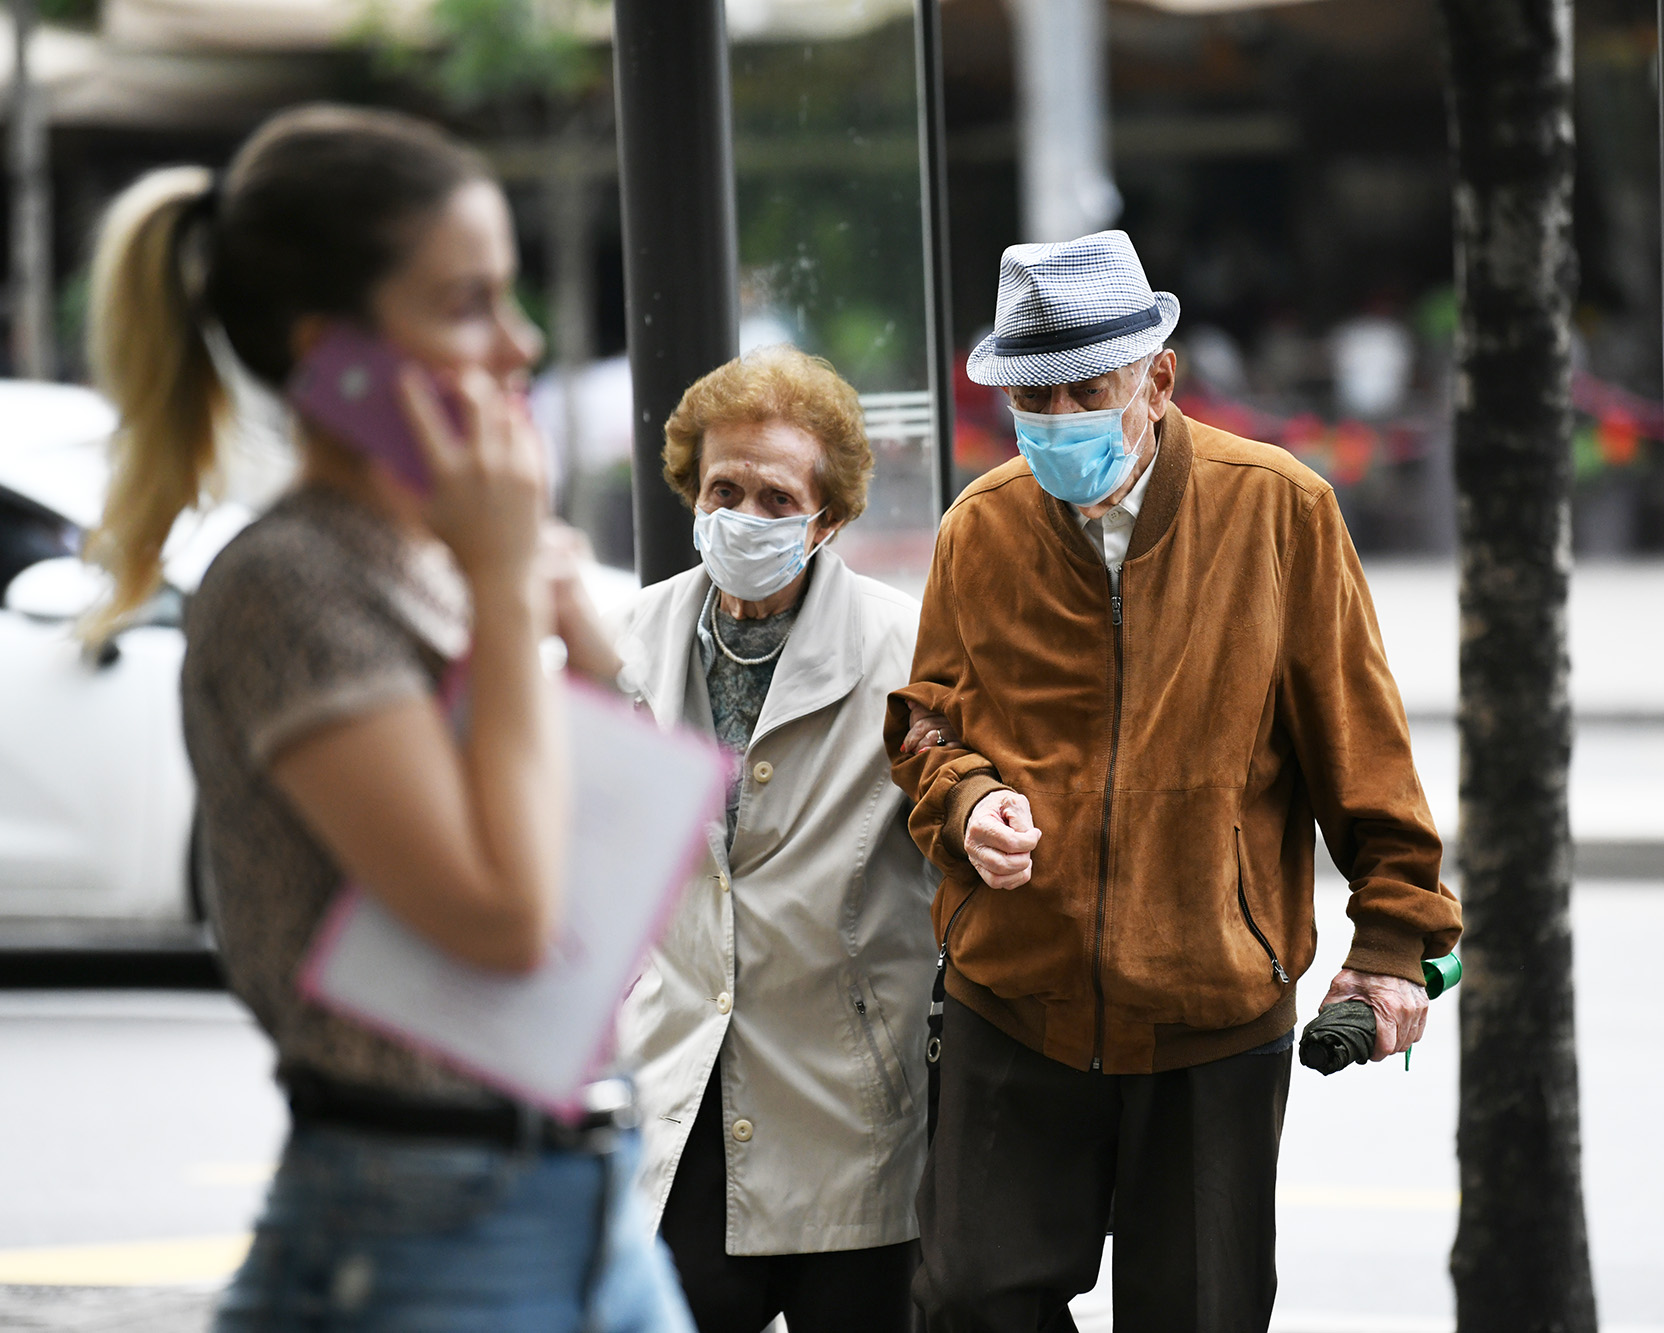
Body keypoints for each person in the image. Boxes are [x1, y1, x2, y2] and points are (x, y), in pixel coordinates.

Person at [86, 105, 692, 1331]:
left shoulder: (437, 555)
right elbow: (507, 918)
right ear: (336, 357)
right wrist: (497, 592)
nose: (518, 345)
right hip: (418, 1229)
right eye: (466, 305)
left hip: (583, 1195)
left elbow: (611, 879)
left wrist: (559, 630)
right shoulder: (289, 579)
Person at [886, 229, 1464, 1331]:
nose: (1056, 424)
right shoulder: (979, 527)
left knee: (1200, 1313)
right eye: (1032, 400)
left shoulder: (1278, 510)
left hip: (1212, 1011)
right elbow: (925, 728)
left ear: (1156, 376)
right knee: (964, 1299)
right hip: (1012, 999)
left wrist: (1393, 942)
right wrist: (965, 802)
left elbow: (1361, 747)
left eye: (1083, 391)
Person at [615, 346, 935, 1332]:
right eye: (723, 489)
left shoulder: (905, 649)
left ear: (827, 518)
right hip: (680, 1094)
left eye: (774, 497)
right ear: (690, 491)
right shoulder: (627, 642)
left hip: (849, 1108)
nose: (743, 517)